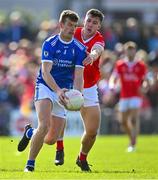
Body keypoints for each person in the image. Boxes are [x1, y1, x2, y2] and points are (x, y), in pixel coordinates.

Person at [17, 10, 87, 172]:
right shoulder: (50, 43)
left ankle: (29, 133)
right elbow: (46, 72)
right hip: (46, 87)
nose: (72, 29)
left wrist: (77, 93)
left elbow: (78, 75)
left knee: (50, 139)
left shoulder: (79, 48)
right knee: (44, 125)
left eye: (74, 26)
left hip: (64, 92)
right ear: (61, 25)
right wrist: (57, 90)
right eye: (69, 25)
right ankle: (30, 165)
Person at [44, 9, 105, 171]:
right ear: (84, 20)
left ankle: (82, 158)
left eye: (95, 22)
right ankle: (60, 147)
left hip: (89, 86)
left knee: (92, 131)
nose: (91, 24)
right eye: (89, 20)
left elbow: (98, 50)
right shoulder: (73, 32)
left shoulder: (98, 39)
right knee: (54, 127)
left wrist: (92, 56)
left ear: (99, 26)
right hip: (66, 83)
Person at [109, 41, 148, 152]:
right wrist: (112, 86)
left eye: (132, 49)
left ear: (135, 51)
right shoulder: (120, 64)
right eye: (128, 49)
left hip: (136, 95)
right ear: (125, 51)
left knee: (134, 119)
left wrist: (144, 87)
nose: (130, 51)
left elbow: (145, 80)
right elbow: (114, 77)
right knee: (123, 121)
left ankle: (133, 143)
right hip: (124, 96)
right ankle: (132, 139)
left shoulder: (140, 65)